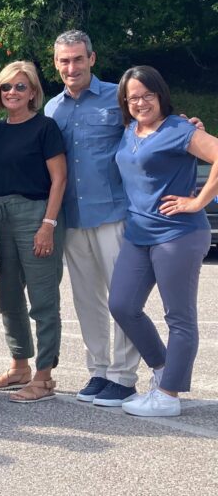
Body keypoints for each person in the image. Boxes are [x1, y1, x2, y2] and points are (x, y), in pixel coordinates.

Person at [109, 66, 218, 417]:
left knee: (179, 317)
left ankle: (169, 395)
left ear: (160, 95)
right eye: (133, 97)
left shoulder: (178, 129)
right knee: (122, 305)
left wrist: (198, 200)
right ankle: (161, 371)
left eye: (147, 95)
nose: (141, 102)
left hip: (179, 234)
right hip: (139, 234)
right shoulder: (130, 131)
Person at [43, 30, 140, 406]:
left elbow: (150, 129)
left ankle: (124, 376)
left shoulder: (119, 96)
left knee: (122, 299)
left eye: (78, 59)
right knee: (87, 300)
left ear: (92, 59)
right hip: (72, 218)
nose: (71, 67)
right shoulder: (53, 109)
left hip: (114, 213)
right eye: (64, 60)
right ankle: (100, 370)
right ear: (55, 64)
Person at [0, 61, 67, 403]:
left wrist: (47, 225)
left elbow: (59, 179)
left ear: (33, 92)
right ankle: (20, 366)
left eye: (20, 87)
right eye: (6, 87)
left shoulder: (46, 128)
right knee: (8, 297)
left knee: (43, 300)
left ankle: (44, 375)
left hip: (35, 214)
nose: (12, 93)